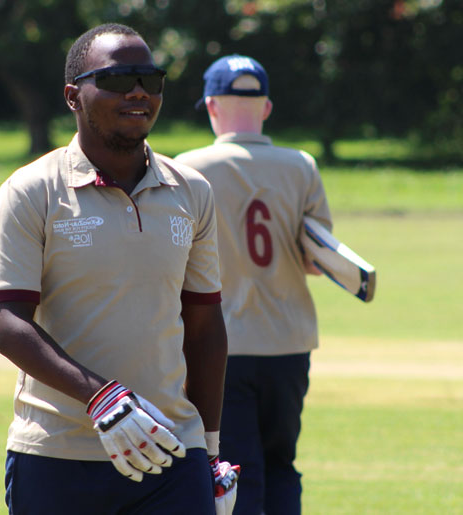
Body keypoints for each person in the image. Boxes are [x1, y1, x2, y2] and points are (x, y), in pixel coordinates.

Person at [0, 23, 239, 515]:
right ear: (73, 96)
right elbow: (7, 324)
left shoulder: (193, 191)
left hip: (172, 452)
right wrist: (103, 399)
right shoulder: (31, 190)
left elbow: (205, 328)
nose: (139, 92)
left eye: (151, 79)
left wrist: (209, 448)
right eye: (120, 80)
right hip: (57, 455)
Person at [175, 55, 333, 514]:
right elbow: (318, 260)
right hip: (290, 342)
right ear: (266, 108)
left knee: (234, 469)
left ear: (210, 106)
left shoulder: (190, 166)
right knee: (282, 463)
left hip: (221, 344)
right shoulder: (300, 165)